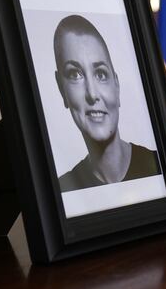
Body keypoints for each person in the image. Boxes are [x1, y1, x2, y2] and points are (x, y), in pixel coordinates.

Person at [53, 14, 160, 192]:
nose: (92, 94)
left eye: (101, 74)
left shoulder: (159, 169)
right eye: (75, 75)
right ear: (61, 88)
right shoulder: (62, 191)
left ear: (116, 85)